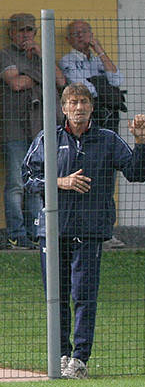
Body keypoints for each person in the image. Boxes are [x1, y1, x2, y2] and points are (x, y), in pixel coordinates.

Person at [22, 82, 145, 379]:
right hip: (53, 232)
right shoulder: (48, 138)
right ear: (64, 108)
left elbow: (137, 173)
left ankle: (79, 359)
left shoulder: (108, 139)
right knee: (56, 296)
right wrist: (60, 182)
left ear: (92, 107)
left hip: (90, 230)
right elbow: (27, 179)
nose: (79, 107)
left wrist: (141, 142)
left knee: (84, 295)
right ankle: (60, 355)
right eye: (73, 102)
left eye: (84, 102)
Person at [60, 19, 128, 249]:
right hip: (88, 124)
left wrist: (99, 50)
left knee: (108, 177)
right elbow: (84, 90)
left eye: (84, 32)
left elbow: (117, 79)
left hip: (108, 122)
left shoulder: (99, 59)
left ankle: (107, 232)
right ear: (68, 39)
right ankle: (85, 231)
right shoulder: (68, 61)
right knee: (88, 176)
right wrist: (103, 86)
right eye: (75, 33)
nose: (81, 36)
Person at [2, 13, 67, 249]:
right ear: (11, 33)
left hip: (40, 130)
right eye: (21, 31)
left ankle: (35, 233)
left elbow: (61, 81)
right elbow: (16, 83)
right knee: (16, 184)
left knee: (35, 183)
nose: (25, 35)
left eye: (29, 30)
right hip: (15, 130)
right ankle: (16, 234)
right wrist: (42, 75)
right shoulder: (6, 55)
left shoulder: (42, 55)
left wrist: (42, 57)